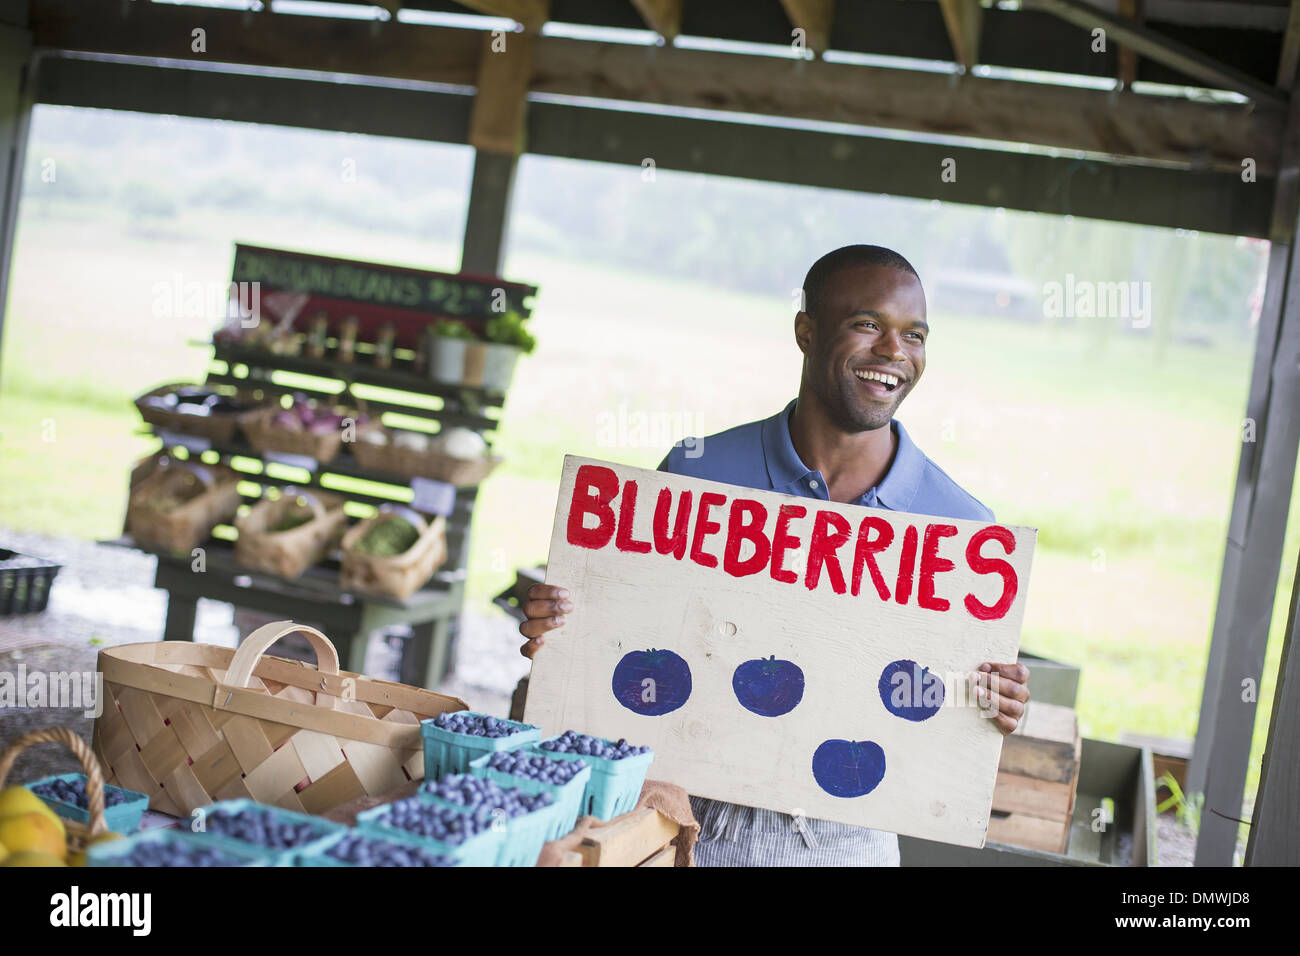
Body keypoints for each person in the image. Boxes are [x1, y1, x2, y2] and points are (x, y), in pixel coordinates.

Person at [518, 244, 1030, 866]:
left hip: (845, 841)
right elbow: (629, 644)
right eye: (867, 324)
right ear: (805, 330)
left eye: (914, 334)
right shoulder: (697, 473)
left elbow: (942, 703)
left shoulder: (962, 533)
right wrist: (568, 626)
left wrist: (991, 704)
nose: (895, 352)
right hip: (676, 814)